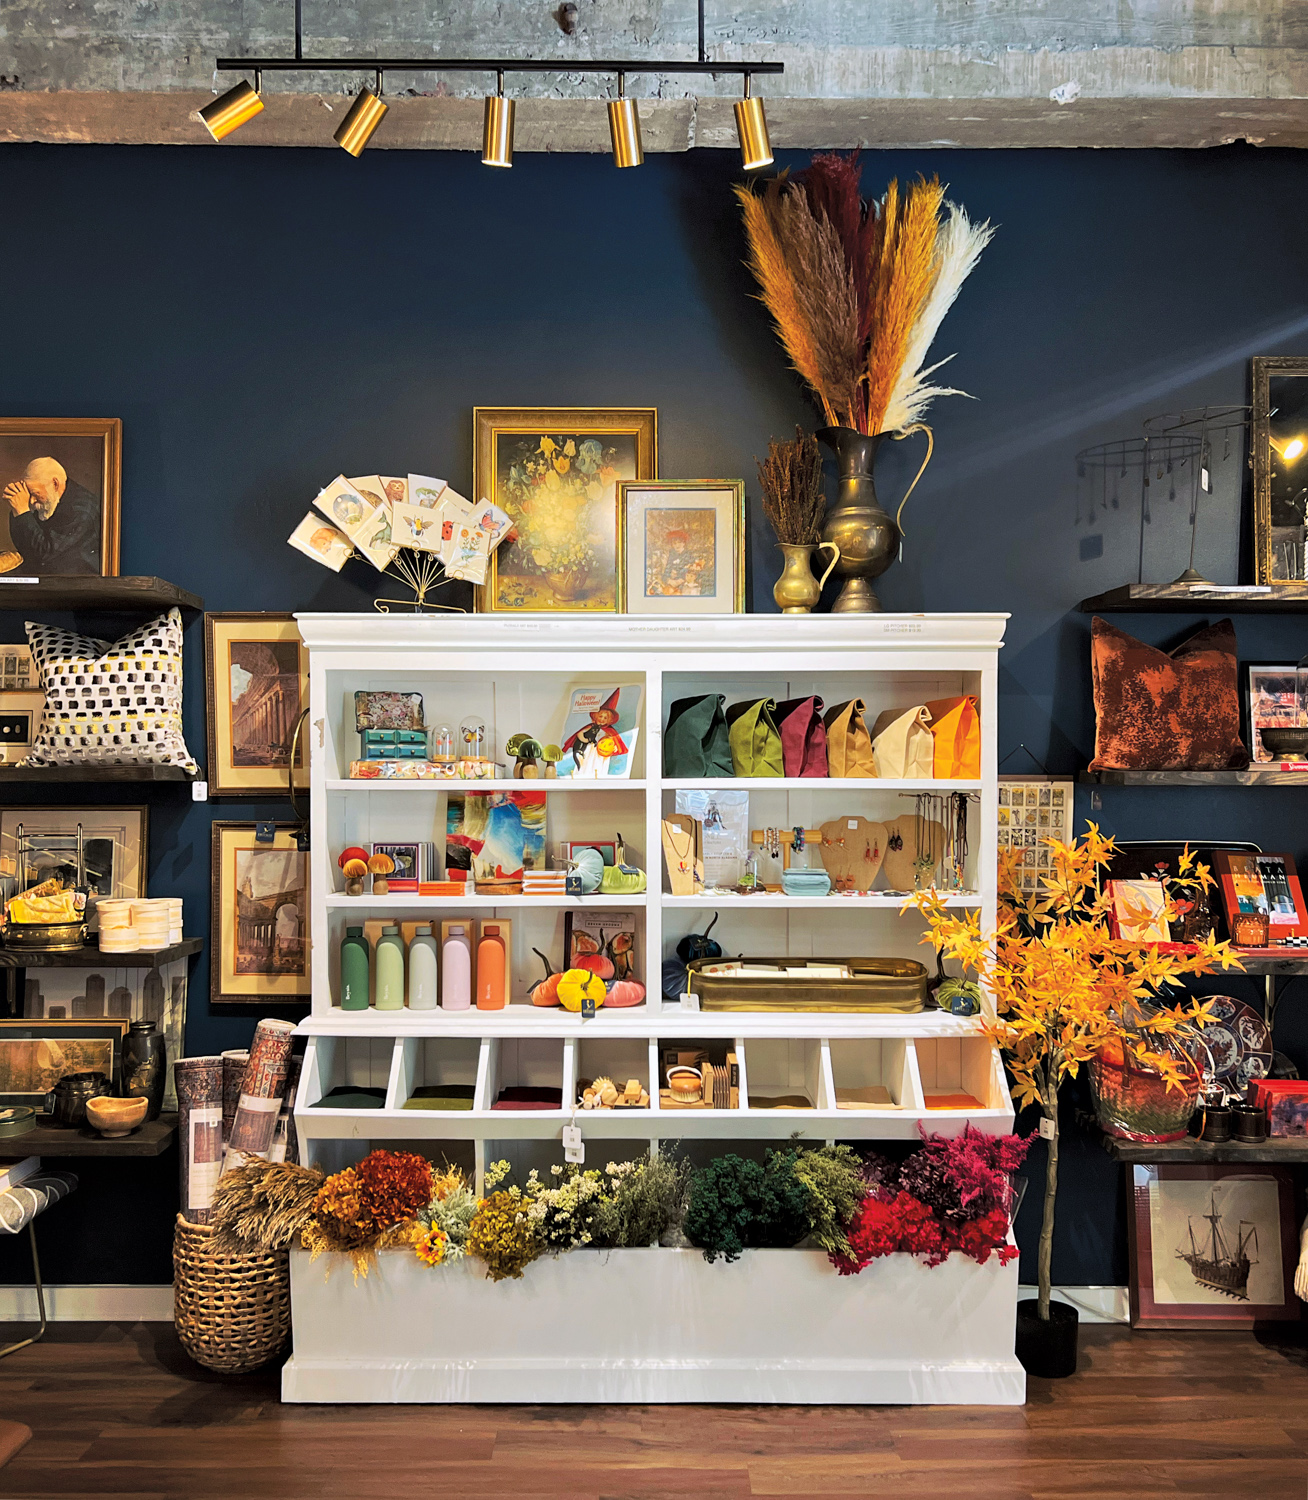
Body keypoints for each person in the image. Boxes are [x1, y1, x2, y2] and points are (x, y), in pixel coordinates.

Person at [4, 458, 101, 574]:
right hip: (46, 570)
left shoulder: (81, 510)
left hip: (74, 581)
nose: (32, 501)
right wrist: (17, 510)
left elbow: (44, 553)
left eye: (35, 493)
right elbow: (26, 548)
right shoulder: (48, 500)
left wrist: (22, 511)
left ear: (55, 484)